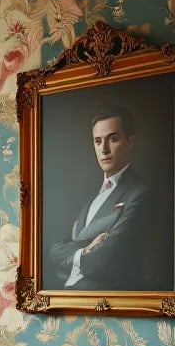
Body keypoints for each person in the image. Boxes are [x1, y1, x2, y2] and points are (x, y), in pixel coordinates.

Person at [50, 106, 160, 291]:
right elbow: (53, 250)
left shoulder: (140, 193)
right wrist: (84, 251)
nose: (104, 149)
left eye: (113, 139)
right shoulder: (89, 199)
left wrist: (73, 255)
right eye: (98, 141)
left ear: (130, 142)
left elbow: (105, 259)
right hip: (73, 303)